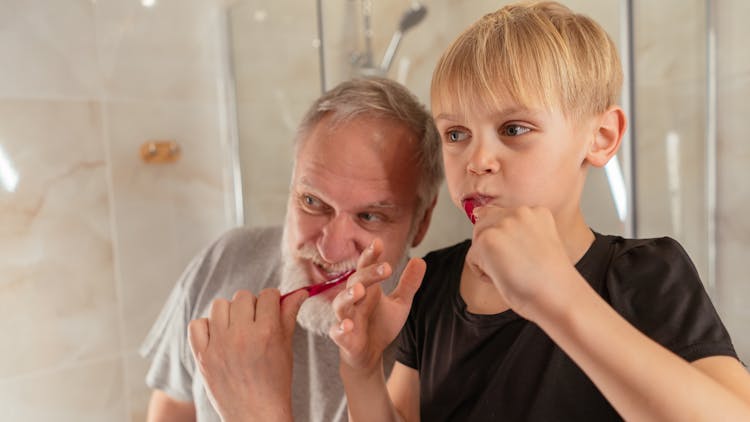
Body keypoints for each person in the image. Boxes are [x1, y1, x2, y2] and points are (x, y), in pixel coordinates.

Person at [330, 2, 750, 421]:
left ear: (601, 138)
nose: (477, 159)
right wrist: (362, 370)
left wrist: (556, 295)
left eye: (514, 129)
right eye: (456, 134)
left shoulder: (643, 277)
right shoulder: (431, 283)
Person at [139, 77, 444, 422]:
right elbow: (172, 409)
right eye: (312, 202)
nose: (330, 250)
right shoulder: (225, 259)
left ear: (422, 221)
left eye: (370, 216)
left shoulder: (441, 336)